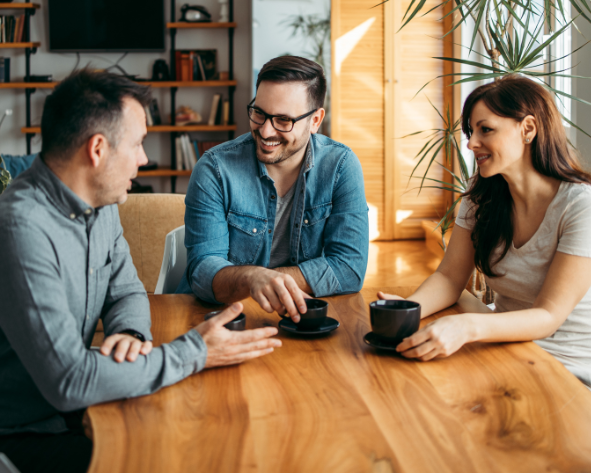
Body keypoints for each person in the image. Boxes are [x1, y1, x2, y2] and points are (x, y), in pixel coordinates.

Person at [0, 69, 281, 473]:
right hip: (23, 433)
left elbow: (128, 290)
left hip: (80, 409)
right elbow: (69, 382)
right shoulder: (19, 227)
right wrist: (197, 351)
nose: (144, 158)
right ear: (97, 149)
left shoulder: (101, 200)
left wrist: (128, 333)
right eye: (137, 144)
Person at [379, 75, 591, 388]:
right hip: (506, 349)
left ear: (528, 129)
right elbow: (450, 278)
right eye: (471, 131)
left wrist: (466, 327)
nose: (471, 143)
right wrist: (410, 311)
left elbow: (548, 316)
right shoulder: (481, 197)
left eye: (485, 129)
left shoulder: (580, 206)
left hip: (568, 369)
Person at [177, 56, 369, 323]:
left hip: (301, 320)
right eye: (259, 113)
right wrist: (252, 279)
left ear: (315, 120)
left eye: (283, 120)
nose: (265, 131)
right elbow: (202, 272)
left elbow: (349, 268)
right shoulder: (215, 169)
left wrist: (269, 281)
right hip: (222, 320)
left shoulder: (341, 167)